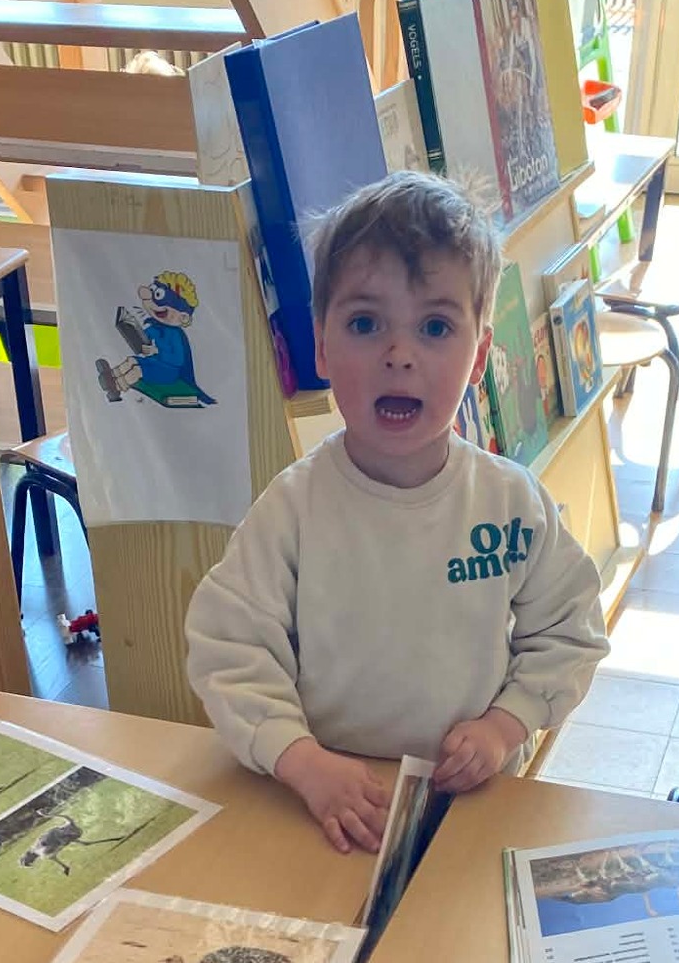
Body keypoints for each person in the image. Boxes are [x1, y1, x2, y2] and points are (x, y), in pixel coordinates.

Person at [185, 171, 607, 853]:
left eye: (435, 327)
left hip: (466, 802)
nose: (399, 356)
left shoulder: (510, 504)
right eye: (365, 323)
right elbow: (227, 650)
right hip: (324, 801)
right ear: (321, 347)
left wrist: (506, 725)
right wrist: (302, 761)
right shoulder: (293, 510)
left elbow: (571, 631)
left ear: (479, 357)